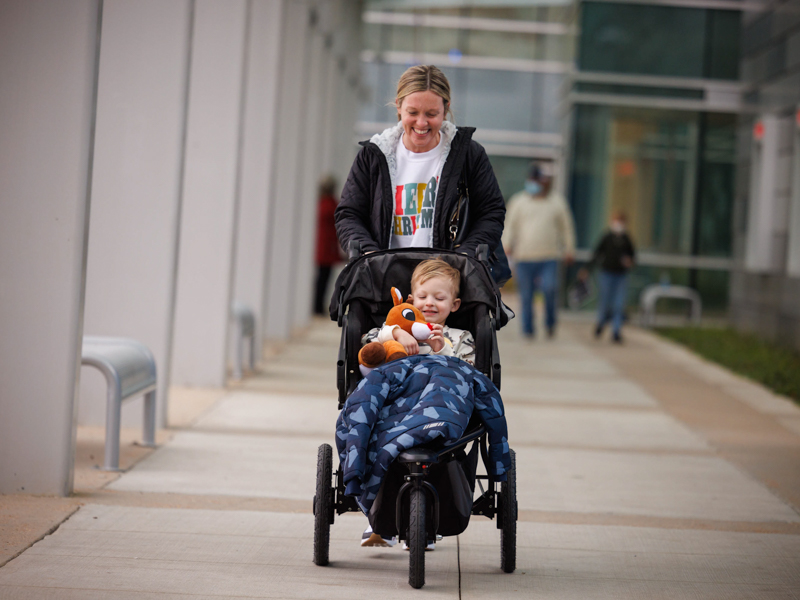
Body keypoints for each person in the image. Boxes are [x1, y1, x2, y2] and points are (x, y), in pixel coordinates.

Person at [360, 258, 474, 550]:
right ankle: (379, 520)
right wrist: (397, 333)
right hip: (396, 408)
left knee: (450, 383)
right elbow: (368, 347)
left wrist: (442, 350)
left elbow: (467, 377)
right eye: (422, 297)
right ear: (411, 299)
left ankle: (428, 520)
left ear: (455, 304)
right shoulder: (394, 327)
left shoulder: (460, 338)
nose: (429, 303)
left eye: (439, 297)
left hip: (438, 410)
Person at [335, 65, 505, 259]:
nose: (421, 123)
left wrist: (463, 259)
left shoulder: (469, 155)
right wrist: (371, 256)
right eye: (413, 113)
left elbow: (491, 213)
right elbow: (349, 215)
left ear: (446, 109)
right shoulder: (373, 156)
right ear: (398, 106)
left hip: (447, 281)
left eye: (431, 114)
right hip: (383, 278)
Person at [502, 161, 576, 339]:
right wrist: (506, 246)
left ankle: (550, 323)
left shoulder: (557, 202)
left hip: (549, 256)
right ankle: (528, 329)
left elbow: (566, 227)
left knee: (550, 289)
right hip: (525, 257)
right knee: (526, 296)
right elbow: (510, 226)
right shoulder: (519, 202)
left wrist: (569, 248)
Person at [579, 210, 636, 343]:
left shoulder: (627, 239)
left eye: (621, 221)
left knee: (618, 304)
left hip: (621, 275)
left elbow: (633, 257)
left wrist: (630, 262)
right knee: (605, 302)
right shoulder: (607, 237)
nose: (618, 224)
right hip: (606, 274)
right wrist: (587, 269)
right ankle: (601, 323)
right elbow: (596, 254)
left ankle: (616, 331)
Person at [313, 175, 341, 316]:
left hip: (324, 246)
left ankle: (317, 306)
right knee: (323, 279)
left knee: (321, 279)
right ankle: (317, 306)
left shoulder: (321, 203)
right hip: (327, 247)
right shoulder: (331, 204)